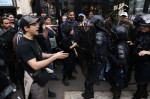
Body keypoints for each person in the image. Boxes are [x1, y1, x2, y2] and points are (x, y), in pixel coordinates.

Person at [16, 15, 68, 99]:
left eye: (38, 24)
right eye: (34, 24)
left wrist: (54, 55)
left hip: (41, 77)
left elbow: (40, 54)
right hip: (34, 82)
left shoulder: (33, 38)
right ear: (26, 28)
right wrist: (54, 57)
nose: (38, 26)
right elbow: (35, 65)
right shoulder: (23, 45)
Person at [77, 15, 108, 99]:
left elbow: (94, 49)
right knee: (89, 78)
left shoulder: (99, 35)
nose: (90, 24)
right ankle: (90, 93)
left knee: (89, 79)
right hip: (95, 59)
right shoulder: (96, 32)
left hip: (97, 60)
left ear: (96, 24)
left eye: (92, 23)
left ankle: (88, 95)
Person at [106, 26, 130, 99]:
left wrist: (109, 55)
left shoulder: (120, 47)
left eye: (113, 33)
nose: (111, 34)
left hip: (119, 69)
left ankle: (116, 95)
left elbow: (120, 62)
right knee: (111, 79)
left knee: (117, 83)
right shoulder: (119, 43)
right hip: (115, 68)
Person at [131, 14, 150, 99]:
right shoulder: (142, 34)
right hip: (139, 61)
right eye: (142, 26)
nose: (143, 27)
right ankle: (144, 94)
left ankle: (138, 95)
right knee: (138, 78)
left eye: (145, 26)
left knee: (143, 81)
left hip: (147, 63)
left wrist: (148, 52)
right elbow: (139, 43)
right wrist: (133, 44)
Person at [0, 17, 16, 84]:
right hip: (4, 55)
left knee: (14, 69)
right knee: (8, 70)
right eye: (6, 23)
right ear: (1, 24)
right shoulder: (1, 33)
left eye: (9, 23)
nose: (9, 24)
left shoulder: (12, 31)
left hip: (13, 54)